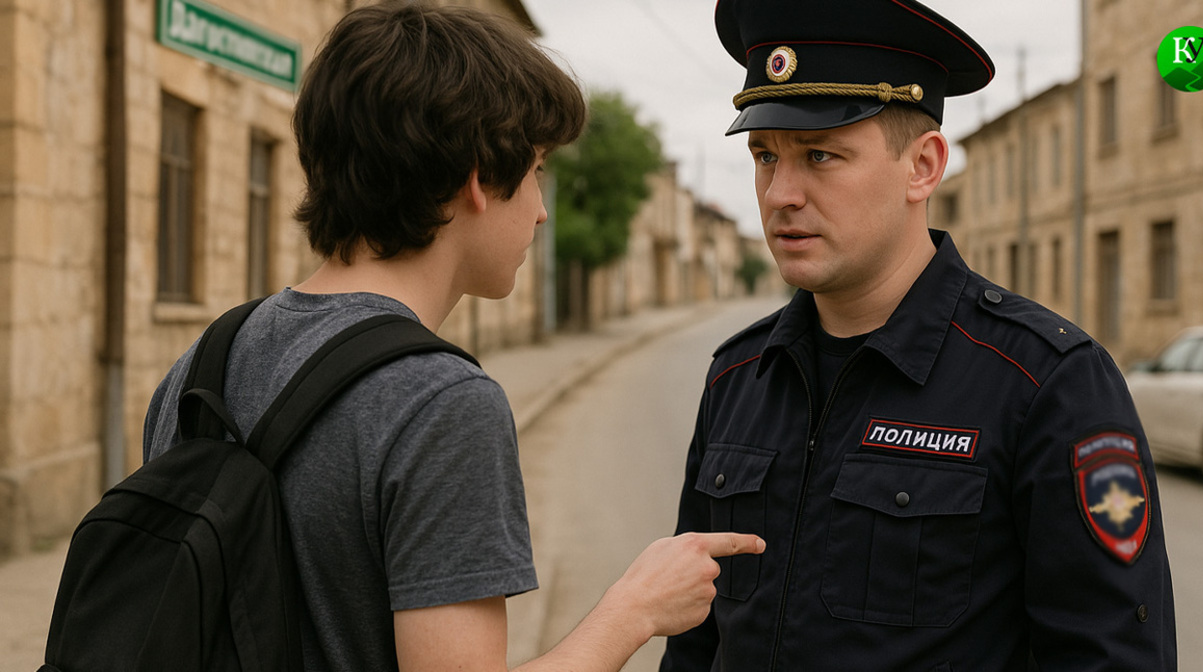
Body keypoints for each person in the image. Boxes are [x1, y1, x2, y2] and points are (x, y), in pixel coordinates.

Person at [141, 2, 763, 671]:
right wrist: (633, 611)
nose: (542, 209)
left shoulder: (203, 362)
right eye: (536, 171)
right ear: (478, 178)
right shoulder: (441, 404)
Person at [660, 1, 1177, 670]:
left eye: (820, 154)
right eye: (765, 156)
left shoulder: (1047, 383)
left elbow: (1110, 656)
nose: (781, 192)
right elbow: (696, 639)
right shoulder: (737, 375)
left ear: (923, 167)